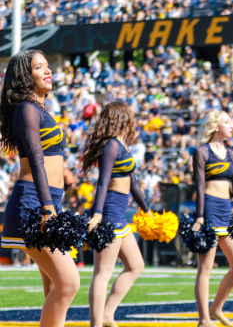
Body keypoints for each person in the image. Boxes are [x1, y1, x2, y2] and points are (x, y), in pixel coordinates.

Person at [0, 50, 79, 327]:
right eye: (39, 67)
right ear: (25, 76)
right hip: (33, 205)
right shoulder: (27, 110)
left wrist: (54, 205)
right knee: (68, 284)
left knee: (54, 287)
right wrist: (48, 208)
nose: (48, 71)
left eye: (48, 65)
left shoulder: (39, 109)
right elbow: (36, 160)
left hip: (47, 202)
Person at [84, 102, 150, 327]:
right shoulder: (112, 145)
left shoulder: (123, 144)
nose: (133, 118)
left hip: (120, 213)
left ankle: (107, 314)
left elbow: (133, 183)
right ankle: (96, 324)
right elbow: (102, 183)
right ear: (121, 117)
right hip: (109, 210)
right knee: (103, 272)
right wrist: (97, 215)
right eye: (129, 114)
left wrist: (146, 209)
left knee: (136, 265)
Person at [192, 111, 233, 327]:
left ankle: (216, 308)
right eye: (226, 122)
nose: (231, 126)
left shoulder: (232, 153)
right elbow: (200, 186)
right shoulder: (201, 152)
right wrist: (200, 217)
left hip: (227, 212)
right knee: (206, 268)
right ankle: (203, 319)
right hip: (210, 210)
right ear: (215, 126)